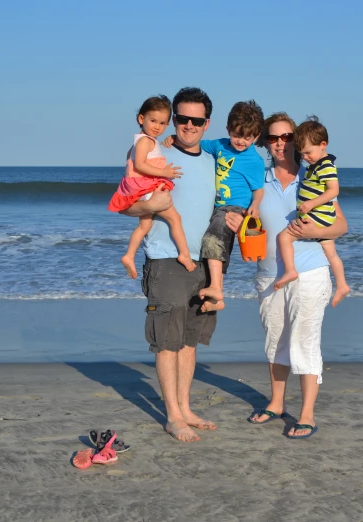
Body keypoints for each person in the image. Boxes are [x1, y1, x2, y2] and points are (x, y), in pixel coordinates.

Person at [226, 112, 348, 439]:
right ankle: (277, 403)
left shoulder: (312, 177)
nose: (280, 143)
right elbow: (243, 215)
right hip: (268, 274)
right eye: (272, 137)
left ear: (297, 139)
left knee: (305, 342)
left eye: (287, 137)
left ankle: (306, 413)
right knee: (276, 340)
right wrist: (237, 222)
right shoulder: (259, 179)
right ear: (265, 142)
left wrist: (312, 228)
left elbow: (341, 225)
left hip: (309, 273)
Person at [122, 87, 219, 443]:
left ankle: (186, 408)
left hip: (204, 261)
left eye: (197, 120)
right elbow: (125, 203)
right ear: (173, 119)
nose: (188, 125)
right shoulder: (152, 151)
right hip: (165, 259)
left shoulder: (212, 161)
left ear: (206, 123)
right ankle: (172, 416)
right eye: (182, 118)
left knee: (190, 340)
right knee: (167, 341)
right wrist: (149, 206)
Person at [188, 100, 265, 312]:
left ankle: (215, 287)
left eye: (247, 137)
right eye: (237, 135)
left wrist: (255, 206)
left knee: (212, 239)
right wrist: (173, 139)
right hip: (216, 207)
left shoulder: (254, 161)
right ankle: (217, 298)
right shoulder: (220, 145)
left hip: (235, 208)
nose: (241, 141)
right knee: (220, 246)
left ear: (256, 137)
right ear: (228, 129)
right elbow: (195, 144)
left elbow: (258, 189)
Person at [108, 95, 196, 279]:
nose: (157, 126)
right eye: (153, 120)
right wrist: (163, 173)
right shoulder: (145, 141)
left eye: (163, 123)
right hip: (147, 189)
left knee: (144, 225)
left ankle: (129, 255)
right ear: (141, 119)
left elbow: (129, 163)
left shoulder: (142, 141)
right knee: (175, 219)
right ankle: (185, 255)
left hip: (142, 188)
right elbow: (139, 165)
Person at [273, 117, 350, 307]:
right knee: (331, 254)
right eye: (303, 154)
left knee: (284, 238)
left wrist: (310, 204)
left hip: (317, 216)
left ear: (323, 144)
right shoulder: (316, 166)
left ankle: (290, 270)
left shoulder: (326, 166)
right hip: (321, 217)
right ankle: (342, 285)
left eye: (308, 152)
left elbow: (334, 191)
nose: (306, 157)